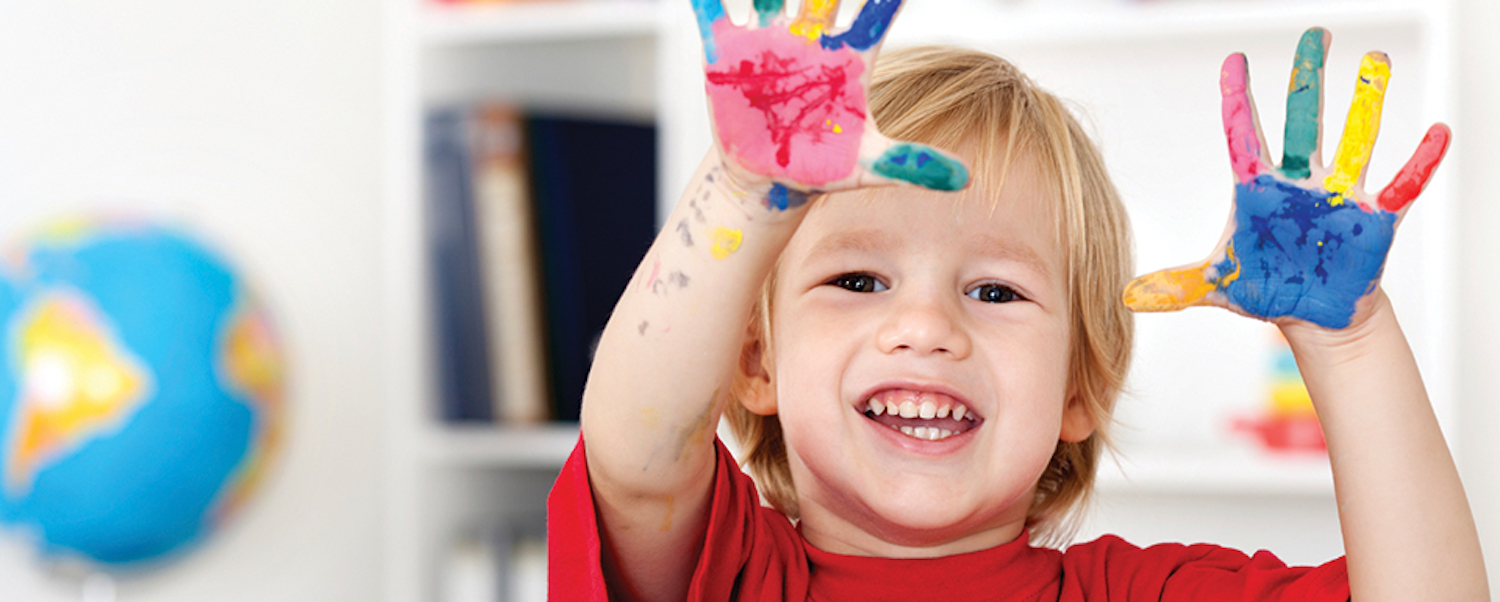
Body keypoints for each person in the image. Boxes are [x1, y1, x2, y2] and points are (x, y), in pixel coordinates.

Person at [547, 0, 1490, 598]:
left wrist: (1349, 342)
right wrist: (741, 192)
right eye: (857, 281)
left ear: (1079, 388)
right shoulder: (730, 575)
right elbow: (635, 455)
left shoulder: (1144, 592)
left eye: (995, 290)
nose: (925, 328)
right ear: (754, 365)